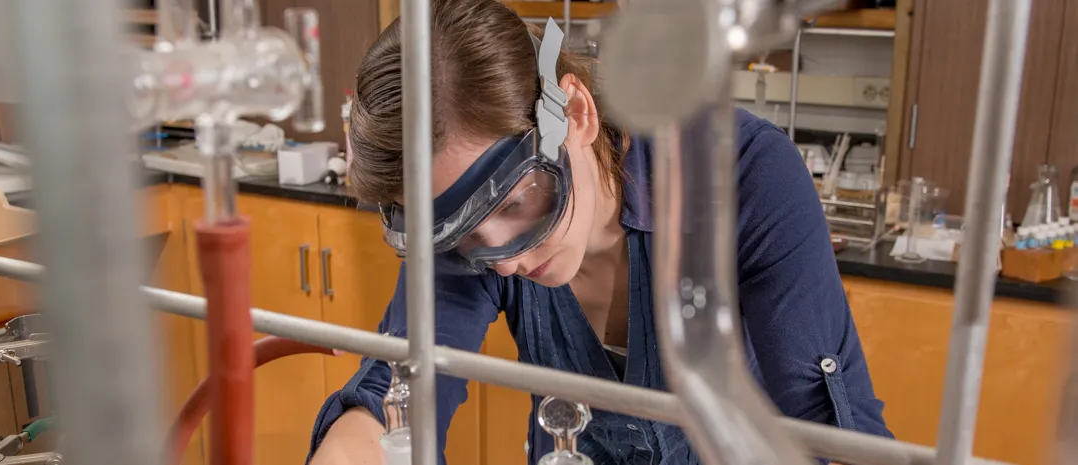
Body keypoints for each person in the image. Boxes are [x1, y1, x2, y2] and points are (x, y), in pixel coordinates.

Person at [307, 0, 893, 463]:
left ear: (576, 115)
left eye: (518, 204)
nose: (505, 261)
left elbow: (829, 437)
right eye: (464, 240)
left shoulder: (744, 176)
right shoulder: (463, 223)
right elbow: (401, 395)